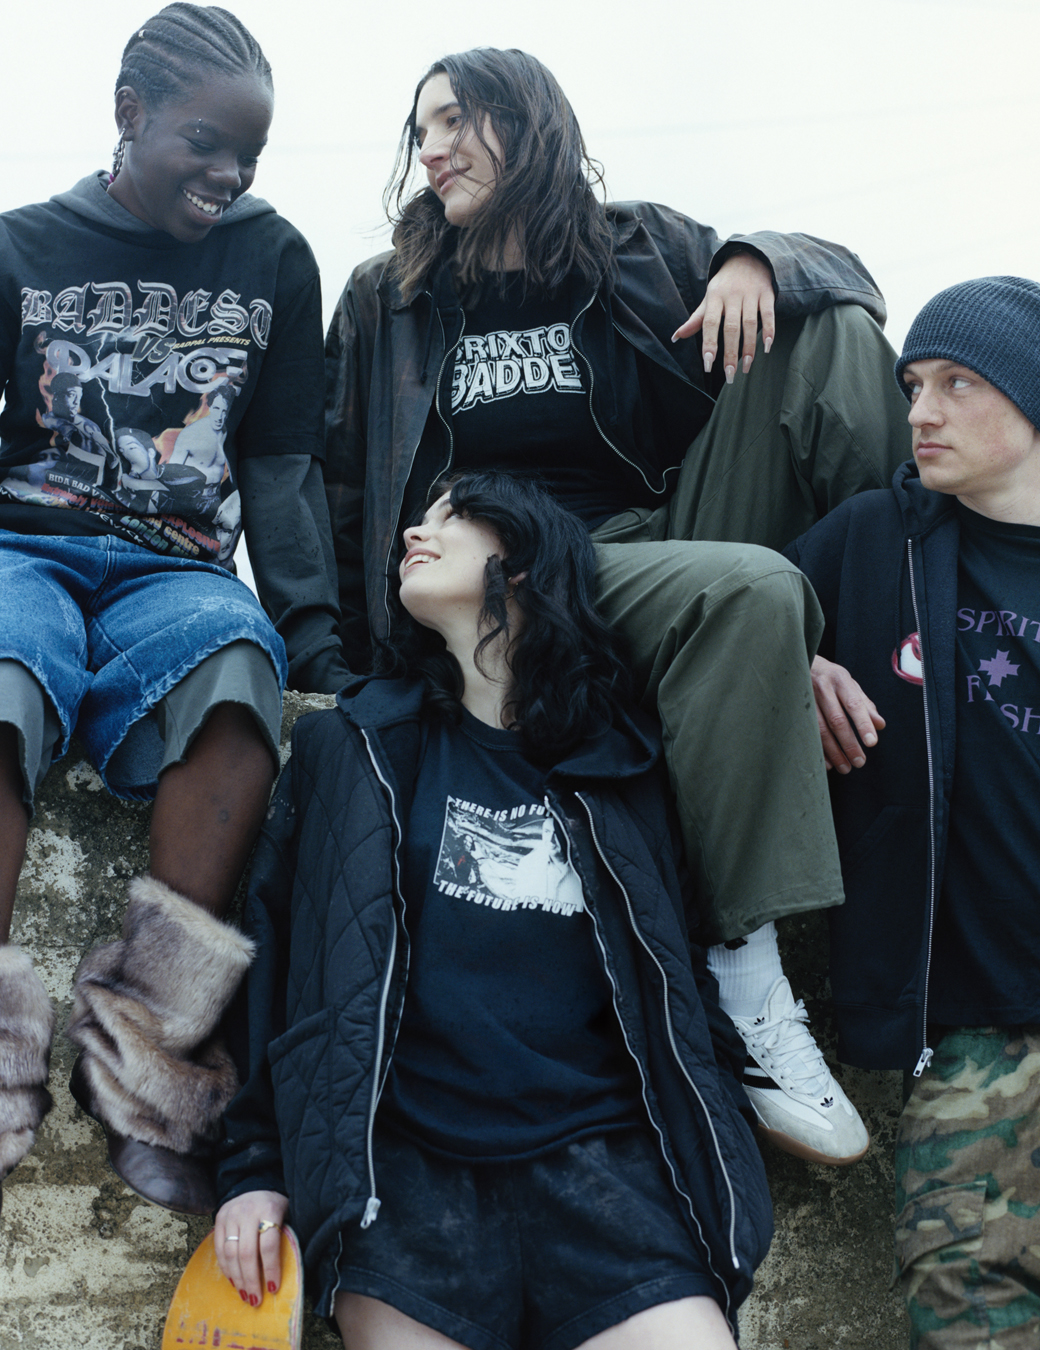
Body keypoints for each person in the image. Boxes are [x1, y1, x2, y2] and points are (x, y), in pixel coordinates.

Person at [324, 47, 912, 1164]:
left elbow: (843, 279)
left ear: (529, 122)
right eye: (421, 131)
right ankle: (741, 978)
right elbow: (336, 479)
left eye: (456, 120)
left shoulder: (640, 247)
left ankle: (876, 644)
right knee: (748, 587)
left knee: (824, 327)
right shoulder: (390, 297)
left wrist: (757, 261)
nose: (432, 148)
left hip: (660, 534)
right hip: (518, 569)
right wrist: (338, 655)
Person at [214, 471, 772, 1350]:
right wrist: (253, 1168)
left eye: (453, 516)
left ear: (521, 562)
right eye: (418, 515)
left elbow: (676, 974)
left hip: (607, 1171)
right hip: (404, 1181)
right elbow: (277, 957)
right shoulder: (351, 746)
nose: (414, 532)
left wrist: (727, 1134)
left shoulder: (622, 767)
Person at [0, 3, 347, 1217]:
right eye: (204, 142)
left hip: (177, 568)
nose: (230, 173)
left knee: (237, 691)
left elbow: (284, 465)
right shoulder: (19, 248)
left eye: (249, 152)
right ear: (128, 114)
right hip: (23, 547)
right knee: (0, 676)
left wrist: (312, 638)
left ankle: (144, 1076)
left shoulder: (272, 260)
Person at [785, 277, 1040, 1348]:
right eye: (911, 386)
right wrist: (785, 660)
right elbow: (711, 627)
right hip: (978, 1027)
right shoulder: (867, 542)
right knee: (962, 1298)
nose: (920, 411)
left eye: (957, 384)